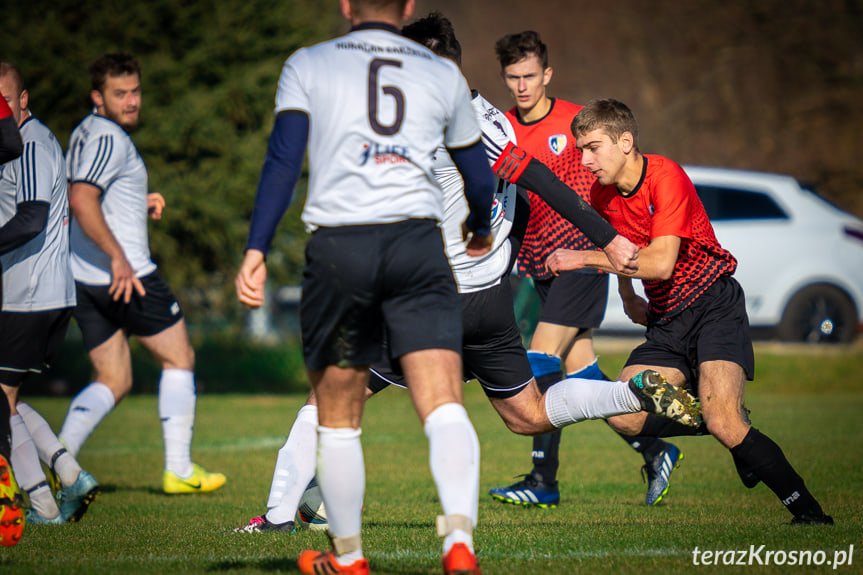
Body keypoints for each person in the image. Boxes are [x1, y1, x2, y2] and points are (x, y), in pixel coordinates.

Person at [230, 11, 701, 539]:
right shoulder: (491, 117)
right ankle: (630, 394)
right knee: (528, 414)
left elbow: (538, 181)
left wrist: (607, 238)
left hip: (434, 299)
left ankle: (275, 519)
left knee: (330, 401)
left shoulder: (438, 119)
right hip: (489, 303)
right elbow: (517, 197)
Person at [235, 1, 499, 573]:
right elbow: (480, 176)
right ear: (406, 7)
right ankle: (459, 544)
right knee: (444, 403)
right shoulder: (441, 73)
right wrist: (480, 225)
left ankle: (350, 558)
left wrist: (256, 248)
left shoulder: (309, 63)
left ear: (346, 5)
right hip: (418, 246)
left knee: (337, 413)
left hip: (340, 246)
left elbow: (282, 163)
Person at [546, 97, 833, 525]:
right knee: (624, 414)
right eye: (580, 149)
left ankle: (811, 516)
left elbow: (660, 263)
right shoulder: (601, 194)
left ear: (625, 142)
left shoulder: (666, 177)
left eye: (592, 147)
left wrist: (581, 258)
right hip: (666, 319)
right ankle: (729, 426)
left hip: (713, 305)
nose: (584, 159)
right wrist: (627, 294)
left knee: (725, 422)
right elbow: (618, 246)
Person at [488, 30, 682, 508]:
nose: (522, 85)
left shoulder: (577, 125)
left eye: (530, 75)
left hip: (582, 261)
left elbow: (610, 198)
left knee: (539, 360)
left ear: (547, 74)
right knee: (583, 375)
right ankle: (655, 445)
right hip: (541, 268)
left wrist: (622, 277)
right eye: (513, 77)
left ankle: (543, 480)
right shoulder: (502, 130)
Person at [58, 53, 225, 495]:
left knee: (114, 379)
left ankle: (60, 462)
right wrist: (118, 256)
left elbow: (89, 196)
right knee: (179, 357)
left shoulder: (84, 132)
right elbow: (81, 199)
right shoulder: (110, 138)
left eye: (135, 91)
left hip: (84, 278)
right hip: (126, 276)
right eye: (120, 93)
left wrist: (137, 203)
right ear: (99, 96)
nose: (132, 101)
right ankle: (179, 469)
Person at [0, 63, 100, 541]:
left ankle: (43, 500)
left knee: (1, 401)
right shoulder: (16, 141)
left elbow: (33, 216)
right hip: (29, 290)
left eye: (5, 99)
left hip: (31, 292)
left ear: (23, 100)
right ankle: (68, 476)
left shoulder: (32, 142)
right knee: (6, 399)